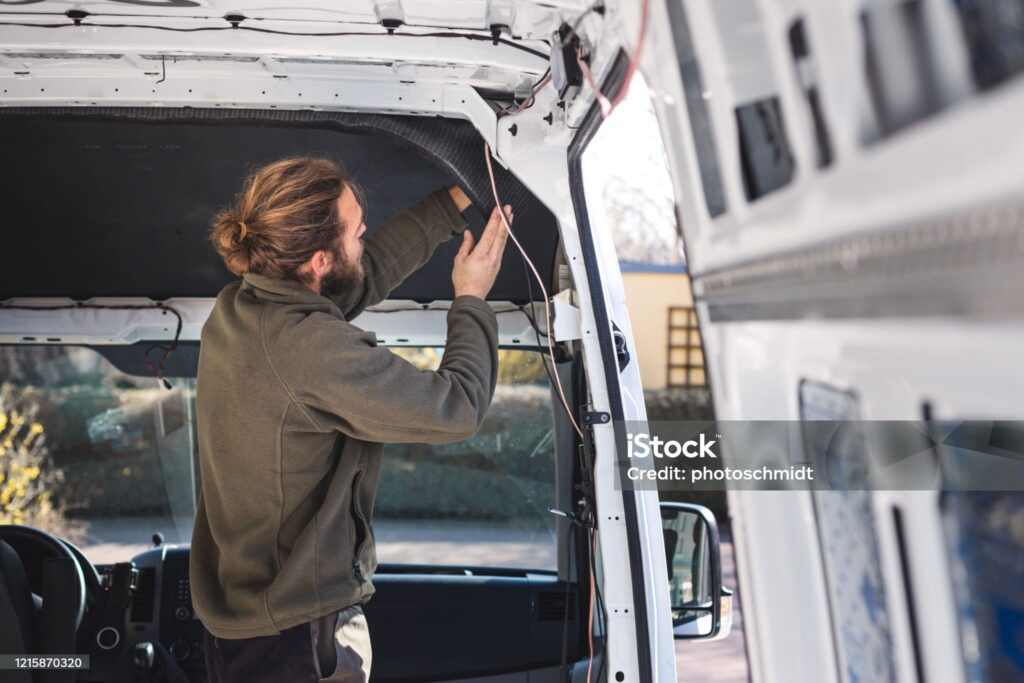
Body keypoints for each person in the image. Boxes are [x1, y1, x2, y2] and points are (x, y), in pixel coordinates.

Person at [190, 156, 511, 682]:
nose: (366, 229)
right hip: (294, 634)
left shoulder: (242, 307)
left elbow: (359, 277)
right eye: (355, 227)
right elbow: (457, 408)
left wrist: (453, 201)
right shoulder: (306, 348)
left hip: (251, 624)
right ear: (317, 261)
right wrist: (471, 298)